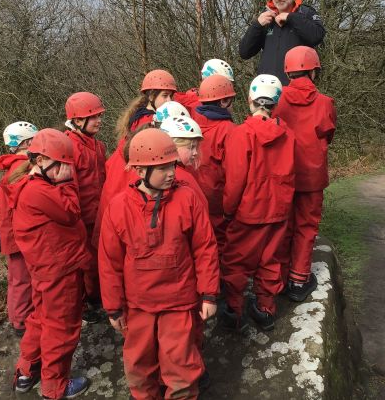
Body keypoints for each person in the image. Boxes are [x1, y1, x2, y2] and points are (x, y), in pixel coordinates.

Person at [98, 128, 219, 400]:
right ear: (139, 171)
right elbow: (109, 262)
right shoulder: (118, 207)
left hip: (180, 301)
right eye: (162, 168)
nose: (171, 173)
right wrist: (114, 307)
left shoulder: (187, 199)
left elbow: (205, 248)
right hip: (138, 304)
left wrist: (209, 293)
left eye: (172, 165)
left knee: (181, 366)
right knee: (139, 365)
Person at [11, 129, 91, 399]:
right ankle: (55, 386)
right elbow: (71, 212)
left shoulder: (31, 184)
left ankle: (28, 370)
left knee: (40, 319)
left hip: (46, 269)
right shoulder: (41, 191)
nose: (67, 171)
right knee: (62, 326)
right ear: (41, 161)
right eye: (62, 165)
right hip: (59, 271)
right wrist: (67, 183)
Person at [222, 75, 295, 332]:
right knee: (270, 260)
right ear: (276, 103)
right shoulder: (288, 135)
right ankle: (265, 310)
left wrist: (228, 210)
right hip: (278, 210)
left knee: (236, 262)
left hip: (248, 211)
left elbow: (235, 179)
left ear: (250, 99)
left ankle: (234, 311)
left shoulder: (241, 134)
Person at [272, 46, 337, 301]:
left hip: (283, 174)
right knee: (306, 226)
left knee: (283, 225)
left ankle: (278, 278)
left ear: (288, 72)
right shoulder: (325, 103)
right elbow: (328, 134)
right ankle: (298, 280)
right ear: (313, 71)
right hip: (312, 175)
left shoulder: (276, 100)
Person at [93, 70, 177, 246]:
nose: (169, 101)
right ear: (151, 96)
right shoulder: (149, 127)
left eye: (171, 96)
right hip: (124, 193)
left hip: (115, 192)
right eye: (165, 96)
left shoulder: (137, 119)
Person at [239, 0, 326, 85]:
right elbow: (244, 52)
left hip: (296, 90)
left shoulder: (306, 13)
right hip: (267, 90)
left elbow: (317, 36)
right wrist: (256, 25)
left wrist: (291, 17)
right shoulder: (265, 18)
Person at [64, 92, 106, 320]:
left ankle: (97, 298)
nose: (99, 121)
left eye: (99, 116)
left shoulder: (98, 146)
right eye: (94, 117)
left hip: (98, 214)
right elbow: (69, 187)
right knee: (87, 263)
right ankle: (90, 302)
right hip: (82, 217)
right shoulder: (70, 147)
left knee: (98, 260)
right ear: (78, 121)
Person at [0, 121, 37, 337]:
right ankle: (21, 322)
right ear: (26, 143)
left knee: (17, 278)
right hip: (19, 234)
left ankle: (17, 317)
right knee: (23, 279)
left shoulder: (11, 168)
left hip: (11, 232)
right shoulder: (22, 169)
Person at [191, 74, 236, 256]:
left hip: (195, 197)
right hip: (219, 203)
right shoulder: (229, 131)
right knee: (221, 247)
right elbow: (235, 174)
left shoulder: (191, 124)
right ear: (224, 102)